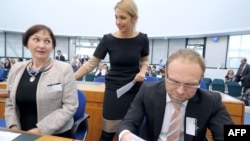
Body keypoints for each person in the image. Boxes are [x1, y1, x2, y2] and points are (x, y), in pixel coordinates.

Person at [117, 48, 233, 141]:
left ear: (200, 78)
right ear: (166, 73)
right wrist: (125, 134)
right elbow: (128, 122)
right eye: (174, 82)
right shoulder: (147, 91)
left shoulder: (211, 101)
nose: (180, 91)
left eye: (190, 85)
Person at [74, 0, 149, 140]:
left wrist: (142, 71)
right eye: (116, 17)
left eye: (122, 18)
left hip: (135, 90)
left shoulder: (142, 39)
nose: (118, 21)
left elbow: (145, 60)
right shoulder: (108, 39)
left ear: (135, 18)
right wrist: (71, 77)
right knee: (107, 133)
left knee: (131, 134)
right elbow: (91, 64)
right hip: (114, 91)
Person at [4, 24, 78, 138]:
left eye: (47, 41)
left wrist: (39, 130)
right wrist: (14, 128)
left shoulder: (64, 69)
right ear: (27, 43)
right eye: (36, 39)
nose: (42, 45)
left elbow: (70, 106)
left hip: (54, 134)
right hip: (20, 132)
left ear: (52, 46)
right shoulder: (16, 69)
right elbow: (9, 103)